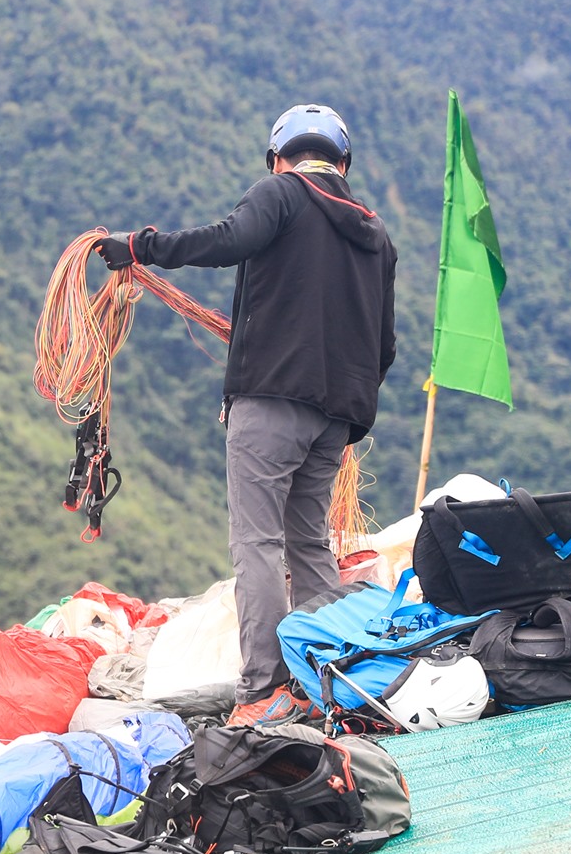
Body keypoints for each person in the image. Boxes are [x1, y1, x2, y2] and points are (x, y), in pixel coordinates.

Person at [97, 104, 397, 728]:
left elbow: (229, 240)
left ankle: (263, 688)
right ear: (342, 163)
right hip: (335, 417)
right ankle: (329, 675)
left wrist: (138, 247)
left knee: (257, 545)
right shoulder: (376, 237)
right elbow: (384, 344)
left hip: (271, 404)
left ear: (278, 158)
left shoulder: (281, 194)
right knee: (309, 544)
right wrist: (340, 398)